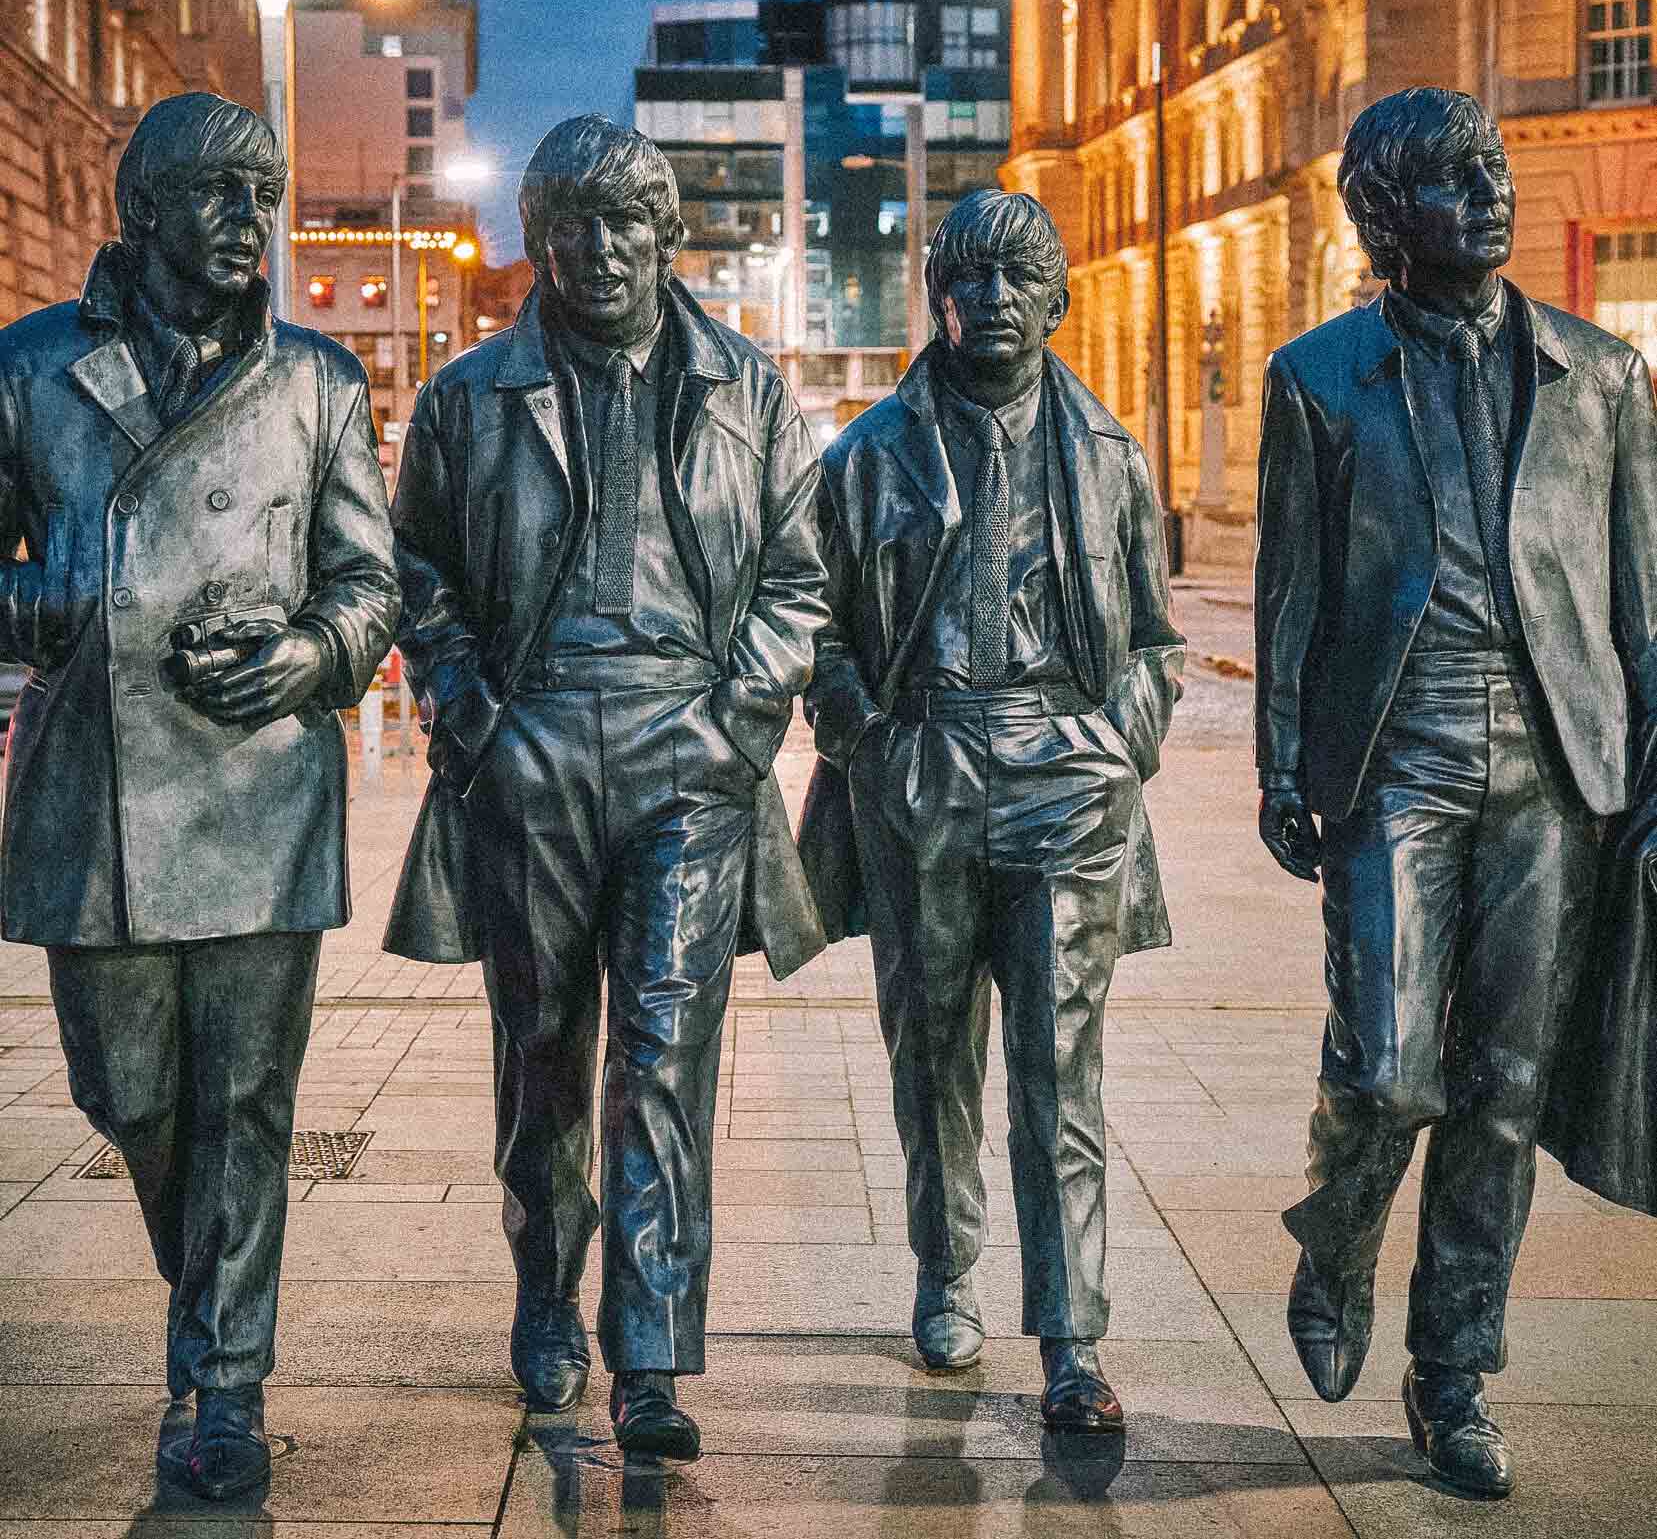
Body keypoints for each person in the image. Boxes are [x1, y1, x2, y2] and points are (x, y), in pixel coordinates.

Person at [384, 115, 827, 1461]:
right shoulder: (470, 398)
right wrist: (478, 724)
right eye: (571, 226)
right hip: (532, 752)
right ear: (542, 241)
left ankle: (647, 1348)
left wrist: (732, 725)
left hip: (688, 757)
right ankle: (542, 1298)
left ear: (666, 235)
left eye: (626, 224)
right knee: (542, 1061)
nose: (600, 251)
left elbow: (800, 584)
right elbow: (419, 582)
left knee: (664, 1062)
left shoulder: (748, 389)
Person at [1254, 87, 1657, 1498]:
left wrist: (1651, 766)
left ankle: (1453, 1372)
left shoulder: (1601, 375)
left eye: (1489, 173)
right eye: (1447, 182)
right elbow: (1291, 590)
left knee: (1502, 1087)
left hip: (1556, 761)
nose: (1485, 197)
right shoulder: (1318, 378)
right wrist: (1276, 761)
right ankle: (1339, 1228)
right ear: (1384, 217)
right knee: (1385, 1061)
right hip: (1396, 751)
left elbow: (1639, 600)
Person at [0, 93, 399, 1500]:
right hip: (92, 791)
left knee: (247, 1101)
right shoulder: (30, 369)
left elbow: (369, 583)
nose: (251, 223)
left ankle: (222, 1381)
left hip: (256, 783)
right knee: (129, 1091)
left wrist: (309, 654)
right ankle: (211, 1304)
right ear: (144, 209)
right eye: (223, 194)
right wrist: (29, 603)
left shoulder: (317, 382)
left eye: (266, 195)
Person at [797, 188, 1183, 1433]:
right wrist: (866, 739)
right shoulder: (867, 456)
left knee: (1059, 1064)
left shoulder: (1110, 455)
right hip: (928, 765)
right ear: (936, 296)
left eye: (1021, 278)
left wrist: (1118, 741)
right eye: (971, 277)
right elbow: (816, 624)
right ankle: (945, 1270)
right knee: (933, 1052)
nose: (995, 300)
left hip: (1065, 772)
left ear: (1058, 300)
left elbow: (1157, 640)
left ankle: (1071, 1334)